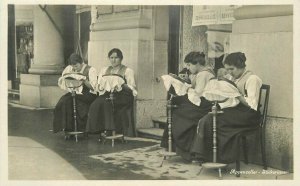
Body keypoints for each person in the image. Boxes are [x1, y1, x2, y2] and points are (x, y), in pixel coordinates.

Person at [191, 52, 262, 164]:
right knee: (208, 118)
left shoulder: (253, 79)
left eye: (232, 69)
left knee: (213, 120)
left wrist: (236, 94)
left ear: (241, 66)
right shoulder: (232, 77)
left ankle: (219, 158)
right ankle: (206, 156)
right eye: (227, 69)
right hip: (234, 111)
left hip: (248, 115)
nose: (229, 73)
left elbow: (252, 105)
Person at [161, 51, 215, 161]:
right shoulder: (205, 72)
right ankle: (181, 148)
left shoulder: (203, 74)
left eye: (189, 65)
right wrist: (183, 81)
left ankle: (183, 148)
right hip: (204, 103)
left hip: (204, 105)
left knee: (177, 114)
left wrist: (186, 87)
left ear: (197, 64)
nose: (188, 68)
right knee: (178, 108)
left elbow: (198, 93)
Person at [86, 48, 137, 137]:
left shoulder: (128, 71)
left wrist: (122, 85)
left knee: (107, 103)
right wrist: (101, 86)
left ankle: (110, 130)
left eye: (116, 58)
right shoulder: (104, 70)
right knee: (95, 104)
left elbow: (131, 88)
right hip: (108, 93)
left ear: (121, 58)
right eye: (111, 57)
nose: (113, 60)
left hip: (123, 95)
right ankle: (98, 129)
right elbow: (100, 85)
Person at [53, 53, 97, 133]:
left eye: (76, 66)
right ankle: (66, 128)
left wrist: (83, 79)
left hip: (88, 94)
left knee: (70, 101)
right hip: (76, 92)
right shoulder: (71, 68)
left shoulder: (90, 70)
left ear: (81, 62)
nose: (74, 68)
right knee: (62, 101)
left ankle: (79, 129)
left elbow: (94, 88)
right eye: (73, 66)